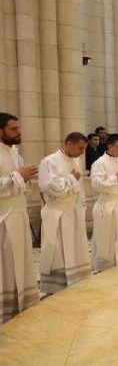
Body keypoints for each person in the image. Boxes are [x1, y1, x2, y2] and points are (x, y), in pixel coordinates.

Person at [38, 132, 90, 293]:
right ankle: (58, 286)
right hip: (57, 212)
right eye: (80, 148)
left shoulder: (77, 161)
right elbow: (49, 187)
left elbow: (79, 187)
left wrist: (82, 206)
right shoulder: (49, 161)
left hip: (73, 210)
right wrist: (71, 179)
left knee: (76, 247)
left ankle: (76, 280)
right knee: (59, 250)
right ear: (69, 144)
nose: (82, 152)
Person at [0, 113, 38, 322]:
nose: (18, 132)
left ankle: (21, 302)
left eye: (19, 128)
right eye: (13, 129)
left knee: (21, 259)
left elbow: (20, 182)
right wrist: (17, 176)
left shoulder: (14, 152)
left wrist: (26, 177)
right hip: (3, 217)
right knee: (5, 264)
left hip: (18, 214)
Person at [90, 133, 118, 272]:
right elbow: (96, 184)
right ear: (109, 146)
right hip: (108, 203)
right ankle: (107, 268)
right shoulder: (100, 163)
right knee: (108, 238)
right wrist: (115, 178)